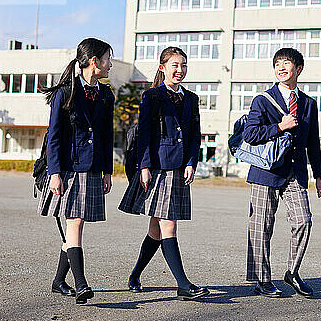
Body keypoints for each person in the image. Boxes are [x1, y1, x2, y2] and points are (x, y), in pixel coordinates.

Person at [119, 46, 209, 301]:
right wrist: (144, 166)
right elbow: (144, 135)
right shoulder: (152, 96)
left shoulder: (191, 99)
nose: (180, 70)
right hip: (157, 167)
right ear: (163, 68)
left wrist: (192, 162)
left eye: (183, 65)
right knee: (168, 224)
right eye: (175, 66)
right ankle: (183, 284)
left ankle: (135, 274)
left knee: (156, 230)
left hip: (180, 168)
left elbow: (194, 135)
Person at [243, 47, 321, 298]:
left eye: (286, 63)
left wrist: (319, 176)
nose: (281, 68)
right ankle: (262, 279)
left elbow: (313, 141)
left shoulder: (309, 104)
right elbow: (250, 134)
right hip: (266, 171)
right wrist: (279, 126)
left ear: (298, 69)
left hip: (296, 173)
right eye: (277, 63)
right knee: (261, 226)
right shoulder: (262, 100)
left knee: (303, 220)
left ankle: (292, 271)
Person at [38, 38, 115, 304]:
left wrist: (108, 171)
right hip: (69, 169)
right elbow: (55, 136)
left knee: (75, 225)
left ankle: (59, 281)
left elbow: (106, 136)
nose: (110, 64)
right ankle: (81, 284)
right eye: (107, 58)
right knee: (75, 223)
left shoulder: (106, 95)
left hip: (93, 168)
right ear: (94, 61)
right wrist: (55, 173)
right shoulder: (65, 92)